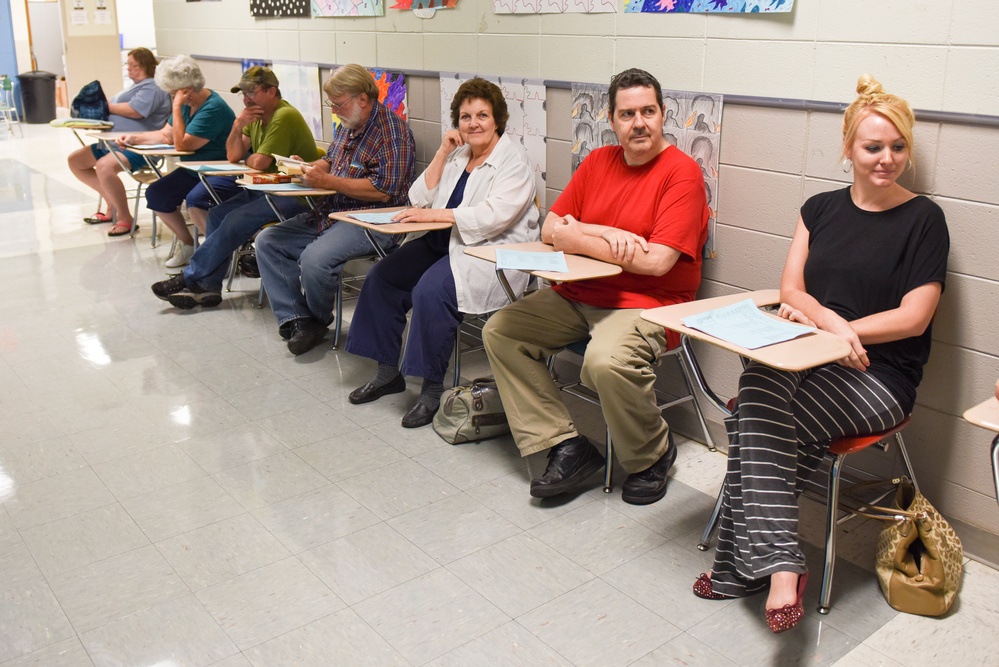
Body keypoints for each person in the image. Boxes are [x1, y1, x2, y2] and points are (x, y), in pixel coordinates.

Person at [693, 75, 949, 635]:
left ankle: (752, 568)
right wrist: (833, 325)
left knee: (752, 421)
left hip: (878, 375)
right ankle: (778, 561)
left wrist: (839, 334)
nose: (886, 158)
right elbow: (792, 291)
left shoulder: (924, 219)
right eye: (873, 146)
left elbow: (915, 316)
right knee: (760, 386)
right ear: (848, 150)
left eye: (898, 146)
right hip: (814, 352)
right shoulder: (818, 209)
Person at [482, 68, 709, 505]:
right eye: (627, 114)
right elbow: (551, 227)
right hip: (578, 294)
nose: (638, 122)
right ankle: (565, 444)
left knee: (604, 362)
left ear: (664, 115)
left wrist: (577, 233)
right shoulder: (598, 161)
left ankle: (652, 455)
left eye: (648, 111)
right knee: (501, 331)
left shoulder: (682, 175)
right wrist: (605, 233)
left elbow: (657, 262)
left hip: (647, 304)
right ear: (611, 119)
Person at [344, 78, 539, 428]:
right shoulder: (459, 154)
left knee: (430, 291)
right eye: (465, 116)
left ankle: (431, 390)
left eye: (482, 115)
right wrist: (442, 153)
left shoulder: (513, 160)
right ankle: (388, 373)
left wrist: (436, 215)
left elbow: (493, 217)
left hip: (488, 253)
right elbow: (419, 198)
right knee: (382, 277)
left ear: (498, 120)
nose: (473, 123)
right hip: (446, 241)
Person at [254, 64, 415, 355]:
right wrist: (308, 167)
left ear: (362, 99)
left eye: (338, 104)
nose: (335, 110)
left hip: (371, 220)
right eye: (332, 104)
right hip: (333, 212)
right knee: (268, 242)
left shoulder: (393, 134)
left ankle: (315, 320)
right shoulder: (348, 124)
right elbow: (330, 159)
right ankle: (298, 318)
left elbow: (383, 191)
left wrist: (327, 180)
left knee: (315, 259)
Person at [149, 66, 322, 300]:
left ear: (272, 91)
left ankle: (191, 277)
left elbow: (259, 162)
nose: (247, 99)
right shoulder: (255, 116)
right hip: (266, 189)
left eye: (252, 92)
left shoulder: (283, 115)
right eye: (243, 93)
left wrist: (248, 156)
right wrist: (238, 125)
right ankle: (208, 284)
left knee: (234, 219)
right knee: (217, 214)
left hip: (295, 195)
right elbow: (233, 156)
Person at [116, 55, 237, 244]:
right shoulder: (185, 105)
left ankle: (217, 251)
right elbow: (167, 135)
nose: (172, 97)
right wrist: (134, 138)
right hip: (195, 170)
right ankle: (189, 244)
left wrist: (176, 104)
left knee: (195, 200)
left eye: (173, 93)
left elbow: (182, 144)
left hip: (219, 170)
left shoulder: (213, 108)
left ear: (186, 91)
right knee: (157, 194)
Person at [67, 47, 170, 230]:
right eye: (128, 65)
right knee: (76, 161)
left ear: (147, 66)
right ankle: (111, 204)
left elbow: (136, 111)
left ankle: (124, 217)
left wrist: (105, 107)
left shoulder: (153, 86)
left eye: (135, 66)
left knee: (104, 166)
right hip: (113, 143)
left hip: (137, 147)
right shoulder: (136, 87)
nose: (130, 69)